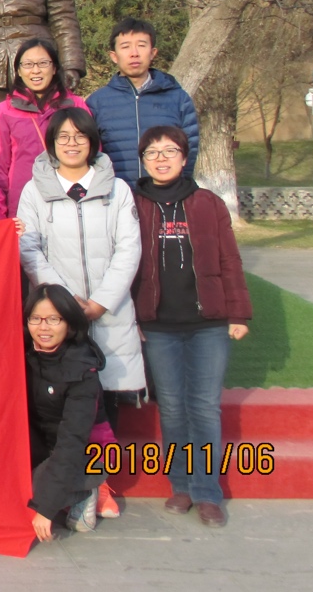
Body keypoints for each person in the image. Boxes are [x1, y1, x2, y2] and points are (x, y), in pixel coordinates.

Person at [133, 125, 253, 528]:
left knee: (203, 406)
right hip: (158, 325)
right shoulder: (133, 203)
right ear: (143, 161)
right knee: (171, 407)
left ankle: (207, 492)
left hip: (208, 323)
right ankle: (181, 485)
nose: (161, 159)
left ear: (185, 158)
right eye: (152, 153)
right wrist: (132, 318)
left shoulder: (207, 203)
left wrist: (238, 314)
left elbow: (229, 260)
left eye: (170, 151)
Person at [16, 107, 145, 425]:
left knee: (107, 408)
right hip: (57, 311)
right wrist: (64, 302)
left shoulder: (118, 190)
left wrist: (101, 302)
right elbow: (29, 248)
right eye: (63, 137)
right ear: (51, 143)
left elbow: (129, 249)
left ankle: (103, 460)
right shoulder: (34, 191)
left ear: (92, 141)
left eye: (79, 136)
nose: (71, 144)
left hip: (108, 311)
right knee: (60, 407)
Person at [24, 283, 110, 540]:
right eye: (36, 319)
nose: (43, 327)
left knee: (33, 493)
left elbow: (73, 441)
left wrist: (45, 508)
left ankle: (85, 491)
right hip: (45, 443)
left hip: (85, 452)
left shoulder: (82, 370)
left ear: (69, 323)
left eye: (53, 319)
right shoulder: (25, 354)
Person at [0, 38, 90, 222]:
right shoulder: (5, 110)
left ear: (54, 68)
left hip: (70, 205)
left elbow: (93, 155)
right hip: (22, 209)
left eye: (43, 63)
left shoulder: (75, 105)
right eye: (27, 64)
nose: (35, 70)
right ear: (18, 71)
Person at [87, 17, 199, 187]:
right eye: (125, 47)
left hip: (166, 194)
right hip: (116, 194)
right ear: (114, 56)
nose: (134, 53)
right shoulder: (97, 102)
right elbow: (90, 153)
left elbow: (190, 148)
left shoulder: (178, 98)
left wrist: (178, 187)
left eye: (141, 45)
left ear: (153, 52)